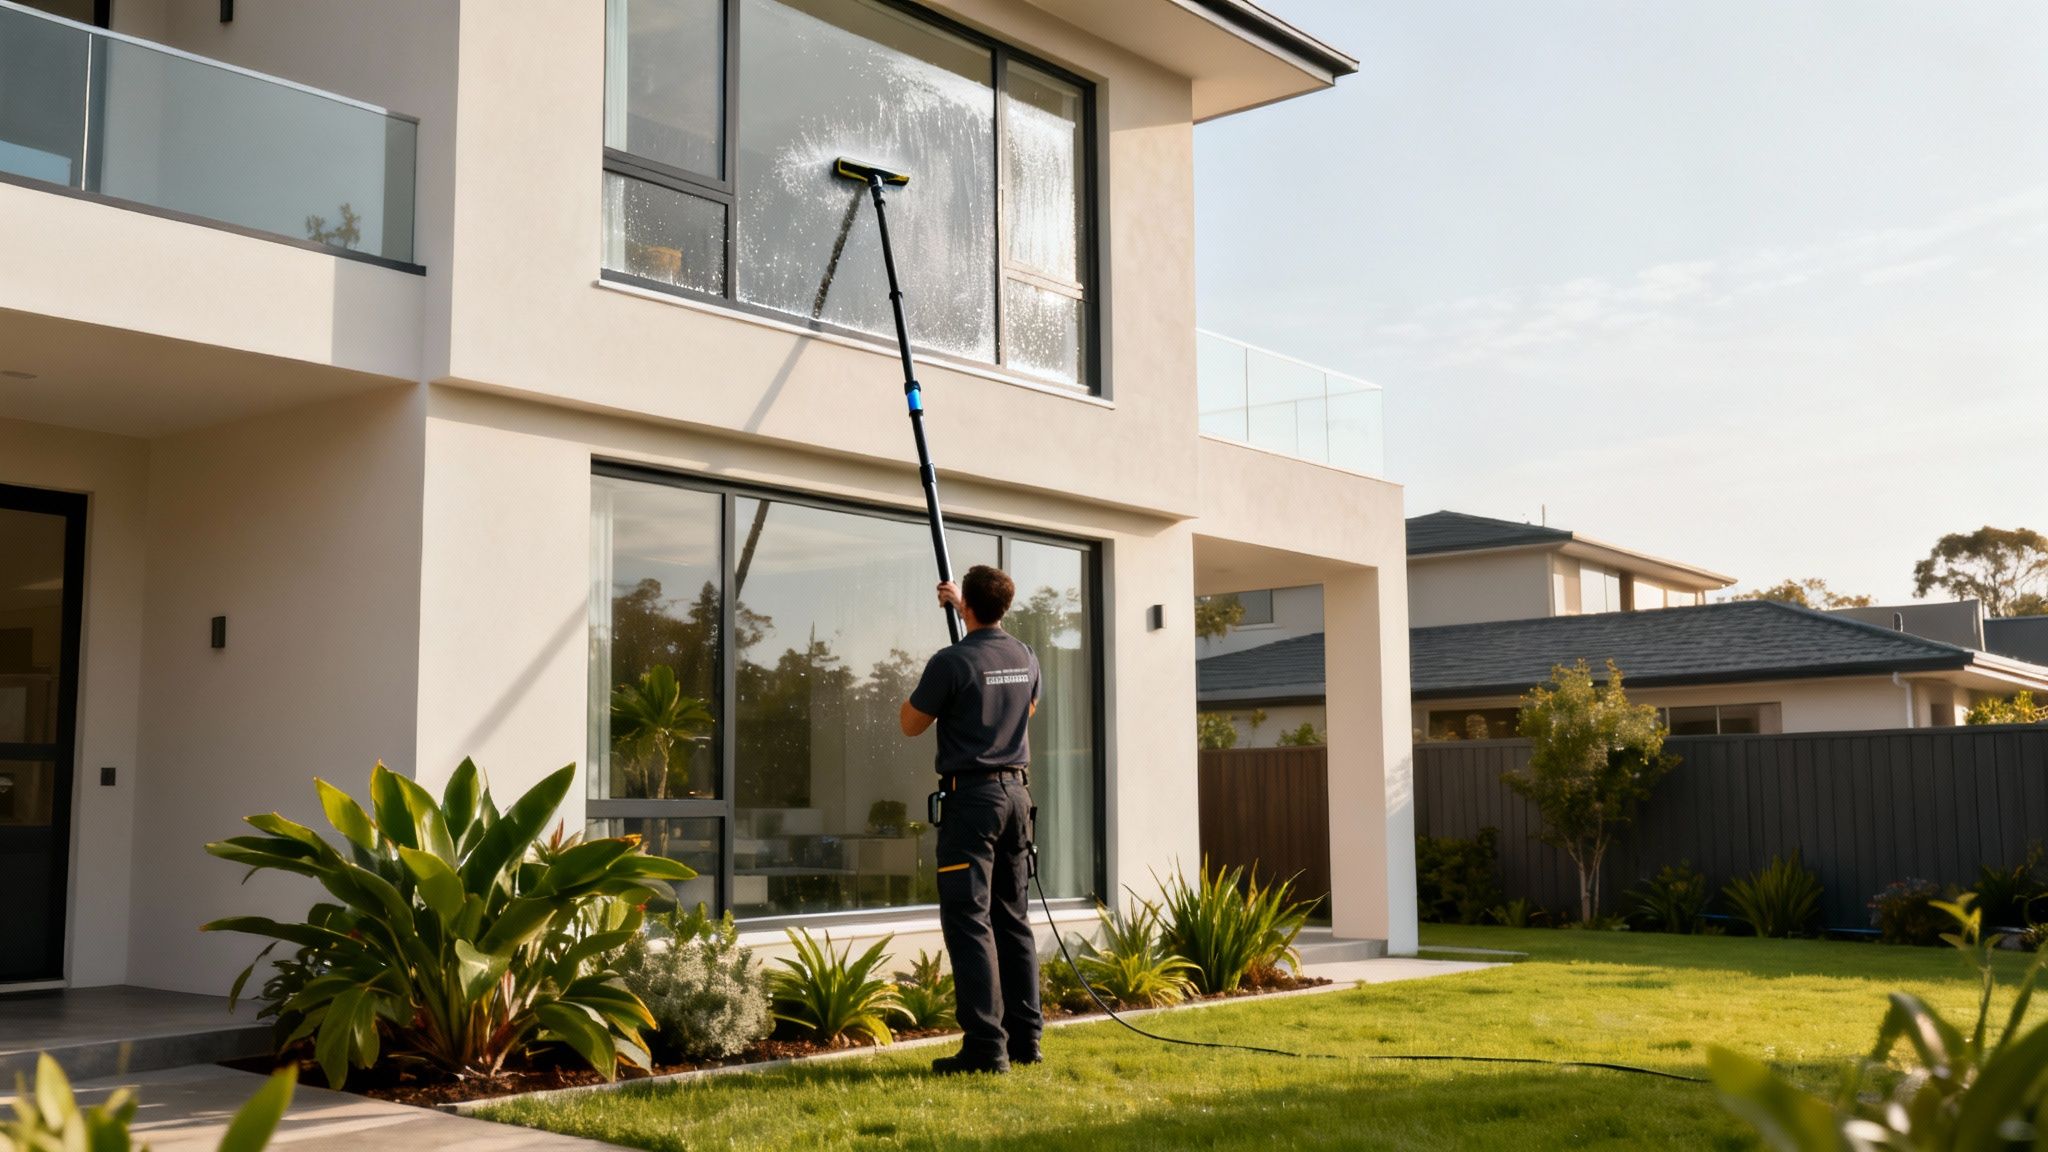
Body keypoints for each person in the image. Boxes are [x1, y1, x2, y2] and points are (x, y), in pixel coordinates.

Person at [899, 564, 1043, 1075]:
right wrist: (962, 604)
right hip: (1016, 798)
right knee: (1012, 917)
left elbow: (911, 724)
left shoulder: (950, 662)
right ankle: (1026, 1041)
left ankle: (986, 1048)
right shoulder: (1025, 655)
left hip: (972, 803)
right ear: (1004, 605)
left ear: (970, 608)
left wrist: (949, 689)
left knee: (969, 921)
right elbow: (1023, 712)